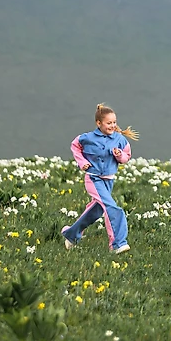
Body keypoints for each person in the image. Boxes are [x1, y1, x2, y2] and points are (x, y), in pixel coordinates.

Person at [62, 103, 139, 254]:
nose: (113, 126)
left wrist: (119, 155)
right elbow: (75, 146)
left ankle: (71, 234)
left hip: (109, 180)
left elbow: (127, 156)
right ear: (99, 123)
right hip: (94, 179)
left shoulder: (120, 139)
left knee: (96, 211)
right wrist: (82, 162)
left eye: (114, 122)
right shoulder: (87, 138)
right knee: (113, 208)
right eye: (109, 123)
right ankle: (117, 244)